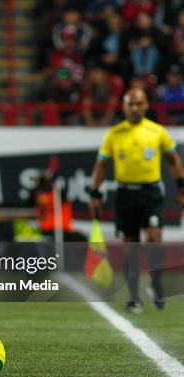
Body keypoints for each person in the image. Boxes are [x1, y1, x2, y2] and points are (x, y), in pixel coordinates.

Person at [88, 88, 184, 313]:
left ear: (146, 105)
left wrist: (181, 188)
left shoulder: (157, 131)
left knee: (154, 239)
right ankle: (134, 297)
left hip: (151, 193)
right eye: (130, 104)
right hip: (125, 195)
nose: (134, 108)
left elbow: (173, 159)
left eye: (139, 104)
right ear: (123, 106)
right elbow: (102, 164)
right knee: (130, 247)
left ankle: (157, 284)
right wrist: (94, 193)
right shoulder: (114, 133)